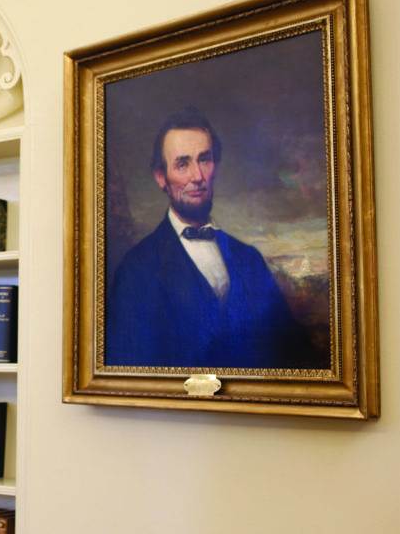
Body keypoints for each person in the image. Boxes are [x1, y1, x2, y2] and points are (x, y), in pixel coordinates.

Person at [106, 107, 321, 369]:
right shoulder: (135, 269)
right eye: (183, 164)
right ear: (161, 177)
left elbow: (291, 349)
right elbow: (130, 372)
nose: (197, 177)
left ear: (215, 166)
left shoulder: (248, 258)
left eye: (204, 159)